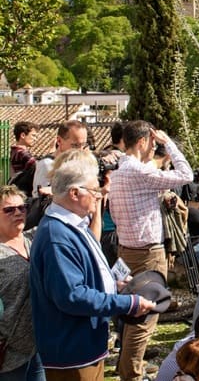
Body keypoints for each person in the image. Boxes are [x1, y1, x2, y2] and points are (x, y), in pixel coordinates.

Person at [29, 150, 155, 380]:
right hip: (71, 351)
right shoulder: (57, 235)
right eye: (95, 190)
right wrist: (128, 303)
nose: (99, 196)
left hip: (84, 346)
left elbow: (82, 276)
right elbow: (72, 296)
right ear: (75, 193)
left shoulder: (73, 225)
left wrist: (112, 284)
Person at [109, 120, 193, 381]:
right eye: (152, 143)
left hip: (125, 248)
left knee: (128, 311)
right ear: (143, 141)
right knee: (145, 318)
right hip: (147, 252)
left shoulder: (121, 169)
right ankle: (131, 374)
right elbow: (186, 175)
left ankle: (127, 367)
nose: (154, 147)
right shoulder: (139, 173)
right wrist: (169, 143)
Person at [0, 185, 44, 381]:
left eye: (22, 207)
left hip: (39, 346)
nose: (18, 212)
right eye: (9, 209)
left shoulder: (34, 238)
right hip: (8, 355)